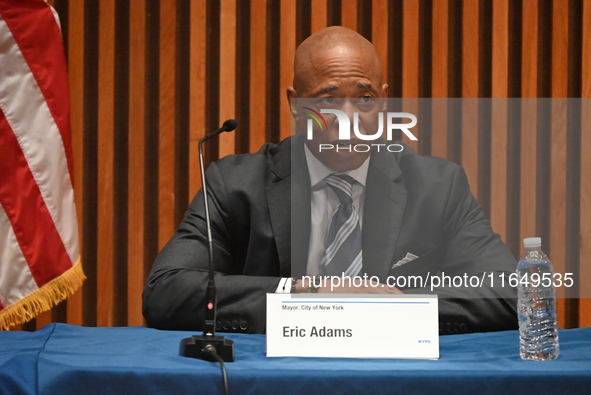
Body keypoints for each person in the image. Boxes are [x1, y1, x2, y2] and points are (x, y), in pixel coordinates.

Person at [143, 26, 517, 335]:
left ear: (384, 102)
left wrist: (393, 306)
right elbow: (166, 292)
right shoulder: (236, 184)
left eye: (365, 98)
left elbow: (509, 294)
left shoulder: (436, 187)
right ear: (295, 104)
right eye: (327, 101)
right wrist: (305, 293)